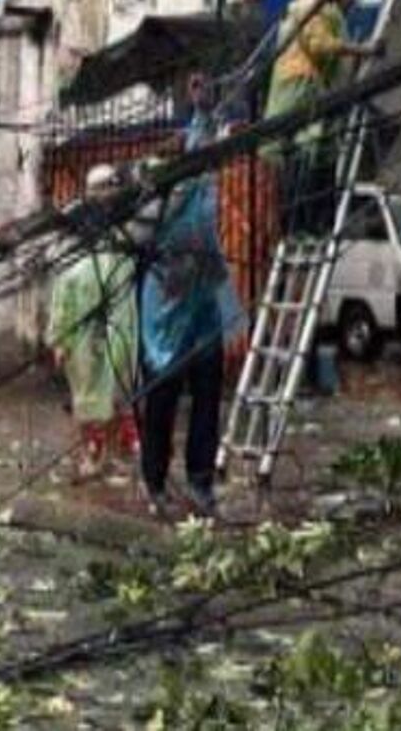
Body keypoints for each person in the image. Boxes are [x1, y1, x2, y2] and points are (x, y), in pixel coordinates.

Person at [137, 142, 245, 520]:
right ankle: (155, 482)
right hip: (164, 320)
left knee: (207, 401)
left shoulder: (200, 194)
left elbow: (212, 251)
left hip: (202, 316)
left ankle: (200, 482)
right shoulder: (153, 202)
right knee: (161, 405)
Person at [262, 0, 374, 239]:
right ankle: (301, 225)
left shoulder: (325, 7)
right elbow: (321, 45)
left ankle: (309, 222)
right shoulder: (309, 7)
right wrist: (365, 49)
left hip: (304, 89)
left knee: (316, 152)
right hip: (298, 89)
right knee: (306, 154)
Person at [48, 164, 140, 482]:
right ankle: (98, 454)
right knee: (93, 398)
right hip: (90, 335)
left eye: (109, 187)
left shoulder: (122, 239)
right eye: (101, 188)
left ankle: (114, 454)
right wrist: (60, 340)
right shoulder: (82, 239)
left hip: (112, 333)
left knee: (112, 396)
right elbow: (63, 296)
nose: (105, 195)